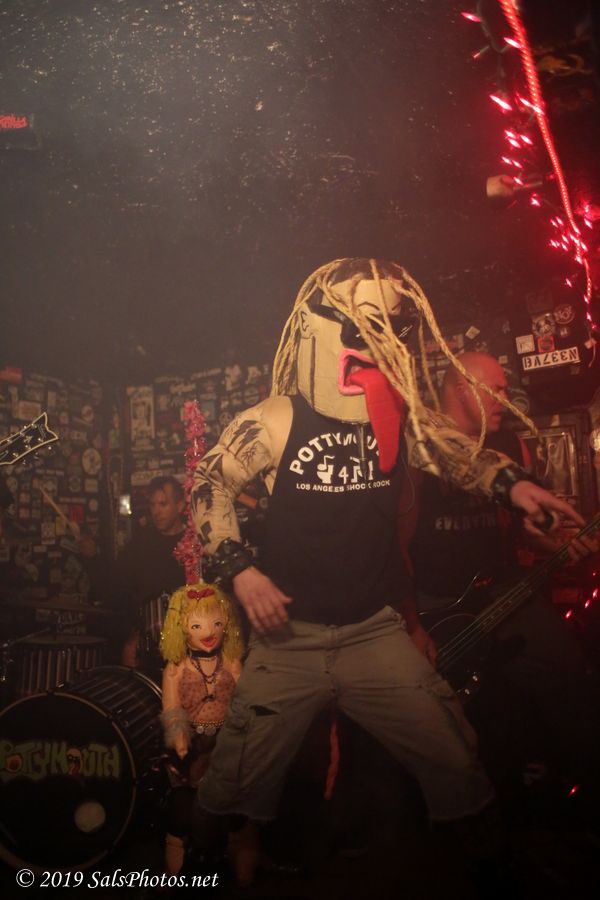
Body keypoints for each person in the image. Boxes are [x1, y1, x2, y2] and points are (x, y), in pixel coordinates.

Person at [190, 258, 584, 884]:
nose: (377, 340)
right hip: (288, 639)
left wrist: (514, 486)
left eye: (388, 326)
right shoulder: (277, 418)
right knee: (229, 785)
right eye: (363, 322)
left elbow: (454, 453)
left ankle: (497, 874)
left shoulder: (391, 416)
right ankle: (194, 867)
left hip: (373, 633)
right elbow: (210, 482)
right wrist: (239, 570)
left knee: (455, 757)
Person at [403, 351, 599, 808]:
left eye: (507, 390)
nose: (506, 400)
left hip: (503, 590)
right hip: (439, 605)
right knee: (473, 721)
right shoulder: (420, 449)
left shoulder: (511, 446)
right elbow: (397, 541)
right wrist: (410, 621)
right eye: (495, 390)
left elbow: (525, 530)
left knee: (569, 674)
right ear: (460, 389)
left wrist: (550, 541)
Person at [159, 581, 245, 878]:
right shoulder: (176, 667)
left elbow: (244, 699)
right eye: (196, 626)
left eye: (217, 624)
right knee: (183, 807)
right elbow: (171, 707)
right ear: (181, 628)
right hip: (193, 745)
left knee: (235, 805)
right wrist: (179, 736)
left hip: (227, 741)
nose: (209, 633)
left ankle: (239, 850)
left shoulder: (231, 661)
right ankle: (177, 861)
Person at [81, 475, 186, 665]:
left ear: (180, 506)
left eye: (163, 504)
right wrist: (93, 558)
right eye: (152, 505)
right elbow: (114, 589)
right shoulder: (140, 545)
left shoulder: (193, 543)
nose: (156, 511)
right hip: (149, 647)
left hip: (190, 645)